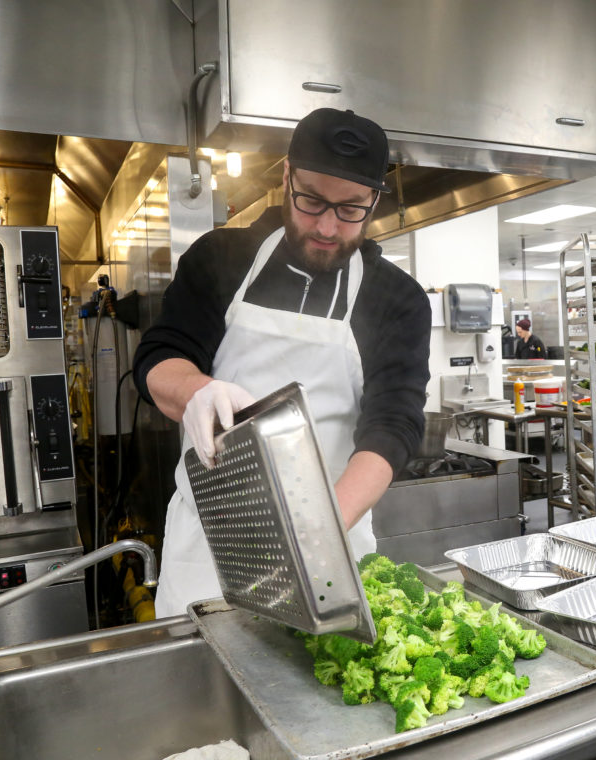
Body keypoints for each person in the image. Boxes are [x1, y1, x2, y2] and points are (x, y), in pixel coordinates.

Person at [133, 108, 431, 618]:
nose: (328, 226)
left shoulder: (396, 300)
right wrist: (197, 390)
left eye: (352, 209)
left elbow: (394, 426)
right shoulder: (218, 259)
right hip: (208, 553)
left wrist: (318, 533)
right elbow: (159, 358)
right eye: (312, 200)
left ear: (374, 200)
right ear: (287, 176)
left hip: (333, 544)